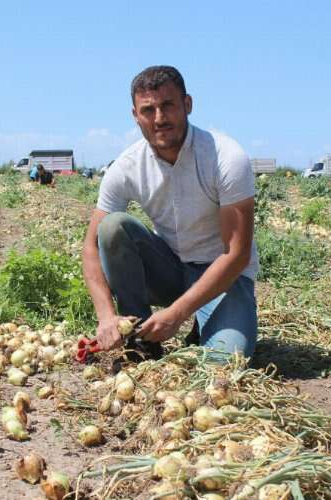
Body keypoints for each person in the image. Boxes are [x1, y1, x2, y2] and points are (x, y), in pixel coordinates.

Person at [82, 65, 258, 364]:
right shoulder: (126, 167)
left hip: (225, 277)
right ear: (135, 115)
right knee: (112, 228)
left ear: (187, 104)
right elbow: (90, 248)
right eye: (148, 110)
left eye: (168, 105)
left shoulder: (225, 157)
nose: (159, 119)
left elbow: (236, 254)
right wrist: (106, 317)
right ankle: (139, 340)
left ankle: (207, 321)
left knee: (223, 363)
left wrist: (177, 314)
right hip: (171, 269)